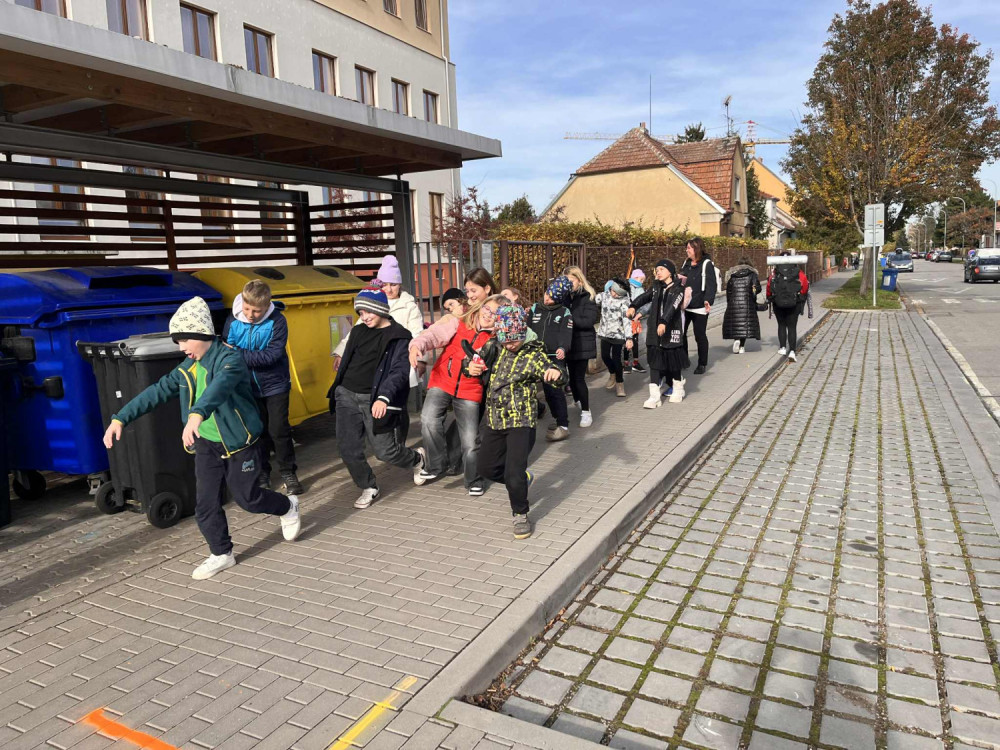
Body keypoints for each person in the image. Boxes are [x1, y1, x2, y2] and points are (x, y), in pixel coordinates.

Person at [103, 297, 301, 580]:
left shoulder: (231, 359)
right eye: (177, 341)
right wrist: (120, 418)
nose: (181, 347)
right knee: (205, 504)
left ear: (202, 334)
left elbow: (219, 388)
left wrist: (197, 413)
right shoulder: (187, 368)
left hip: (240, 443)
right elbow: (157, 391)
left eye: (184, 340)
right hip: (207, 445)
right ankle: (222, 553)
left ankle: (287, 506)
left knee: (249, 499)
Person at [472, 304, 566, 540]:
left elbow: (551, 369)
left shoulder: (533, 353)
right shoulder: (494, 347)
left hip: (520, 421)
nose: (510, 344)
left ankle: (520, 513)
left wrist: (556, 374)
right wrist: (469, 367)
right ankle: (522, 481)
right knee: (486, 468)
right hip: (494, 420)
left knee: (513, 472)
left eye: (514, 340)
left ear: (522, 333)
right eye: (505, 340)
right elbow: (472, 362)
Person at [328, 285, 424, 509]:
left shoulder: (399, 336)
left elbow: (398, 372)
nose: (364, 317)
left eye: (368, 311)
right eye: (360, 312)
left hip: (375, 400)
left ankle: (417, 459)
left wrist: (383, 397)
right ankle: (368, 486)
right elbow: (349, 359)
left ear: (381, 309)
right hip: (346, 395)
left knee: (385, 452)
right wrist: (338, 387)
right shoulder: (359, 331)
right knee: (348, 449)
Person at [408, 268, 499, 495]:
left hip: (471, 388)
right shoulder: (461, 316)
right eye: (467, 290)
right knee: (428, 419)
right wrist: (418, 345)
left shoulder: (499, 325)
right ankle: (436, 464)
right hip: (443, 379)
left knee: (470, 440)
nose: (469, 295)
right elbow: (435, 334)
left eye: (473, 290)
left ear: (487, 288)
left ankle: (474, 480)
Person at [222, 279, 302, 495]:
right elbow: (225, 352)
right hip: (246, 386)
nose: (250, 315)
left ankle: (288, 472)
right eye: (247, 308)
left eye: (257, 311)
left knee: (279, 430)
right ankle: (262, 472)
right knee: (257, 432)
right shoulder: (232, 320)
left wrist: (237, 353)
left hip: (275, 385)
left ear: (267, 306)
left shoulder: (278, 321)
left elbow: (271, 356)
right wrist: (237, 355)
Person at [627, 259, 691, 408]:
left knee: (673, 362)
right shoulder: (656, 287)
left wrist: (663, 322)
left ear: (670, 271)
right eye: (657, 269)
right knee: (654, 363)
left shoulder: (678, 288)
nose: (658, 272)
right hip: (654, 331)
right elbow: (645, 297)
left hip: (671, 330)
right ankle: (654, 397)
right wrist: (633, 306)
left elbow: (673, 306)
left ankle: (678, 389)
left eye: (662, 269)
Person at [527, 276, 574, 442]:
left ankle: (563, 424)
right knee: (527, 388)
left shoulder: (564, 312)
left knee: (553, 391)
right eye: (547, 294)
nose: (547, 299)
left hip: (553, 358)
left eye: (552, 298)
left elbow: (566, 333)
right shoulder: (535, 309)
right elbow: (527, 330)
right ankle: (541, 410)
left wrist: (562, 348)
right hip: (534, 355)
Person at [563, 265, 598, 427]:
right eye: (566, 281)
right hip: (568, 343)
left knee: (578, 378)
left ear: (580, 281)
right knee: (571, 378)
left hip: (582, 343)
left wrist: (570, 319)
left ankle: (586, 411)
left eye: (571, 280)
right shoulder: (564, 297)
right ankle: (578, 400)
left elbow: (589, 321)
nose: (569, 284)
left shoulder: (588, 297)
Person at [678, 237, 717, 375]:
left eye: (689, 248)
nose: (686, 250)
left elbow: (711, 285)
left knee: (699, 335)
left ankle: (702, 363)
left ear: (696, 249)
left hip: (700, 306)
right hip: (685, 306)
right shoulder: (687, 263)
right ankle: (684, 360)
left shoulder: (706, 264)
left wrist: (708, 300)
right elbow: (681, 281)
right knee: (681, 333)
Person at [767, 253, 810, 362]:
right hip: (794, 303)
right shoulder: (799, 273)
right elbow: (805, 287)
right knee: (792, 327)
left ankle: (782, 348)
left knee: (781, 325)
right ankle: (792, 351)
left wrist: (770, 298)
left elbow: (769, 287)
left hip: (778, 303)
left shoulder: (775, 273)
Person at [596, 278, 631, 398]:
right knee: (605, 356)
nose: (614, 294)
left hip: (618, 334)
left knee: (616, 360)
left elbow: (627, 320)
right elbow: (593, 298)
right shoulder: (604, 295)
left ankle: (620, 384)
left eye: (617, 293)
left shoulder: (625, 301)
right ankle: (612, 373)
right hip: (605, 333)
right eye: (613, 291)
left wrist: (629, 338)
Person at [722, 257, 762, 355]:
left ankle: (736, 340)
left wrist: (729, 303)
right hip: (747, 304)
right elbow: (757, 288)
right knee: (744, 325)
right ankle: (742, 347)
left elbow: (729, 291)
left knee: (736, 324)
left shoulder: (732, 276)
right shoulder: (752, 275)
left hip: (734, 303)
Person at [625, 269, 647, 373]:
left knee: (635, 340)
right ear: (635, 278)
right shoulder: (627, 287)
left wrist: (639, 314)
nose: (642, 282)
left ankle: (635, 362)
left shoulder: (640, 289)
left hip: (635, 318)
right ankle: (626, 363)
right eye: (641, 279)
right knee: (627, 340)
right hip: (627, 318)